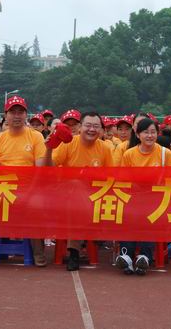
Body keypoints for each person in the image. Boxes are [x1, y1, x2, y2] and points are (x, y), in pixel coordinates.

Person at [44, 111, 114, 271]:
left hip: (95, 197)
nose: (92, 129)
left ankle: (74, 251)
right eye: (88, 125)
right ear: (80, 127)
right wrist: (48, 149)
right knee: (76, 187)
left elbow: (110, 177)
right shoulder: (68, 144)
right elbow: (49, 168)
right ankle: (80, 244)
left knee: (79, 202)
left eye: (96, 126)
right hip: (67, 197)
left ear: (101, 130)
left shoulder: (105, 149)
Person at [0, 96, 47, 267]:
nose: (17, 116)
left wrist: (29, 191)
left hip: (30, 188)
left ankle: (38, 253)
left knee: (36, 205)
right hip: (4, 188)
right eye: (13, 112)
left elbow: (40, 169)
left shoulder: (36, 137)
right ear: (6, 115)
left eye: (20, 112)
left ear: (26, 114)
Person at [117, 118, 171, 275]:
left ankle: (144, 256)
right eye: (146, 132)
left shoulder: (165, 153)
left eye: (153, 132)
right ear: (138, 134)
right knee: (131, 212)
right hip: (134, 198)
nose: (150, 135)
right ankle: (127, 256)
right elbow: (124, 180)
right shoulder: (129, 154)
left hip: (157, 199)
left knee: (149, 213)